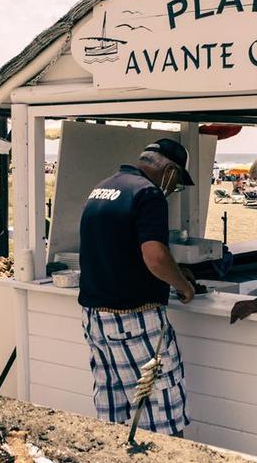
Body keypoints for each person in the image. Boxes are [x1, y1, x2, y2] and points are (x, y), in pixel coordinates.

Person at [77, 138, 197, 437]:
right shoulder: (148, 194)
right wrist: (183, 286)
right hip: (134, 318)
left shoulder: (103, 188)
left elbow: (119, 249)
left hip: (95, 319)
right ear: (168, 171)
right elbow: (155, 257)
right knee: (160, 408)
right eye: (177, 181)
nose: (173, 189)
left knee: (113, 410)